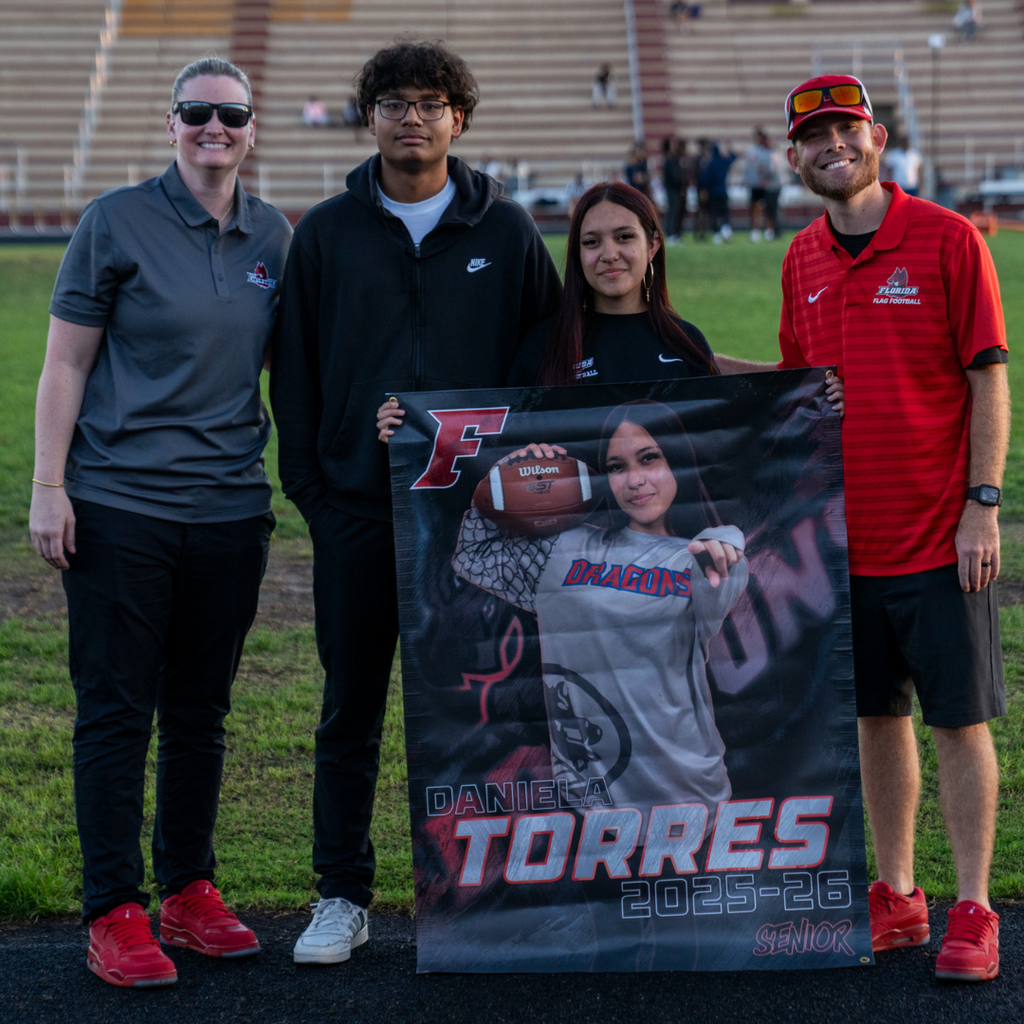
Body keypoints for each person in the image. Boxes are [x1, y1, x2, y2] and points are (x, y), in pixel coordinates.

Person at [271, 40, 561, 967]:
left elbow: (544, 365)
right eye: (392, 102)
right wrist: (319, 494)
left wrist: (505, 483)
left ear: (459, 118)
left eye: (430, 102)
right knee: (350, 709)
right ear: (369, 118)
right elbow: (299, 377)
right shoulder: (324, 232)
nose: (411, 118)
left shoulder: (506, 230)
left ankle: (498, 894)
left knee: (495, 711)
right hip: (360, 514)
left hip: (482, 522)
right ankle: (340, 896)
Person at [717, 73, 1009, 982]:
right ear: (794, 157)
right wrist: (697, 364)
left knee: (959, 723)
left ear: (877, 138)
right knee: (877, 719)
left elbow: (988, 377)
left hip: (939, 533)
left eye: (846, 130)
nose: (830, 146)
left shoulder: (948, 239)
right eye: (813, 137)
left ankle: (972, 906)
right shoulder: (802, 255)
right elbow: (801, 388)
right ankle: (898, 895)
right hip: (842, 539)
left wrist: (982, 505)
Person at [29, 56, 292, 988]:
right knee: (113, 712)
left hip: (229, 511)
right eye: (196, 113)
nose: (213, 129)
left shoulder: (275, 234)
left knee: (201, 714)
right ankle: (114, 909)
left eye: (230, 115)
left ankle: (187, 891)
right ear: (172, 123)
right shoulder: (116, 220)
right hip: (119, 508)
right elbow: (65, 366)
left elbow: (290, 370)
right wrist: (48, 485)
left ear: (253, 127)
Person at [452, 401, 748, 828]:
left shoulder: (699, 557)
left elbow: (719, 580)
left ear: (678, 460)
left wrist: (724, 544)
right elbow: (472, 555)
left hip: (687, 797)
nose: (635, 480)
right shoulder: (562, 548)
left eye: (650, 458)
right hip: (587, 807)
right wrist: (504, 477)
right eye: (616, 466)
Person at [505, 181, 717, 389]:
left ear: (652, 247)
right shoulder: (541, 348)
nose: (609, 255)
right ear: (577, 255)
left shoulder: (688, 344)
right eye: (591, 242)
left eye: (624, 237)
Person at [743, 128, 778, 241]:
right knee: (754, 208)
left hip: (765, 185)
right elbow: (749, 168)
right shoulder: (751, 150)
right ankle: (755, 231)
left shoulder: (767, 151)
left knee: (768, 209)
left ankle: (769, 230)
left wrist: (764, 178)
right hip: (754, 184)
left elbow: (768, 167)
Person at [661, 137, 685, 243]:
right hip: (672, 189)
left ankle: (674, 233)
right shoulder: (669, 160)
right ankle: (670, 233)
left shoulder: (673, 159)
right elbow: (673, 176)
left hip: (674, 188)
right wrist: (680, 182)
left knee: (675, 211)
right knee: (673, 211)